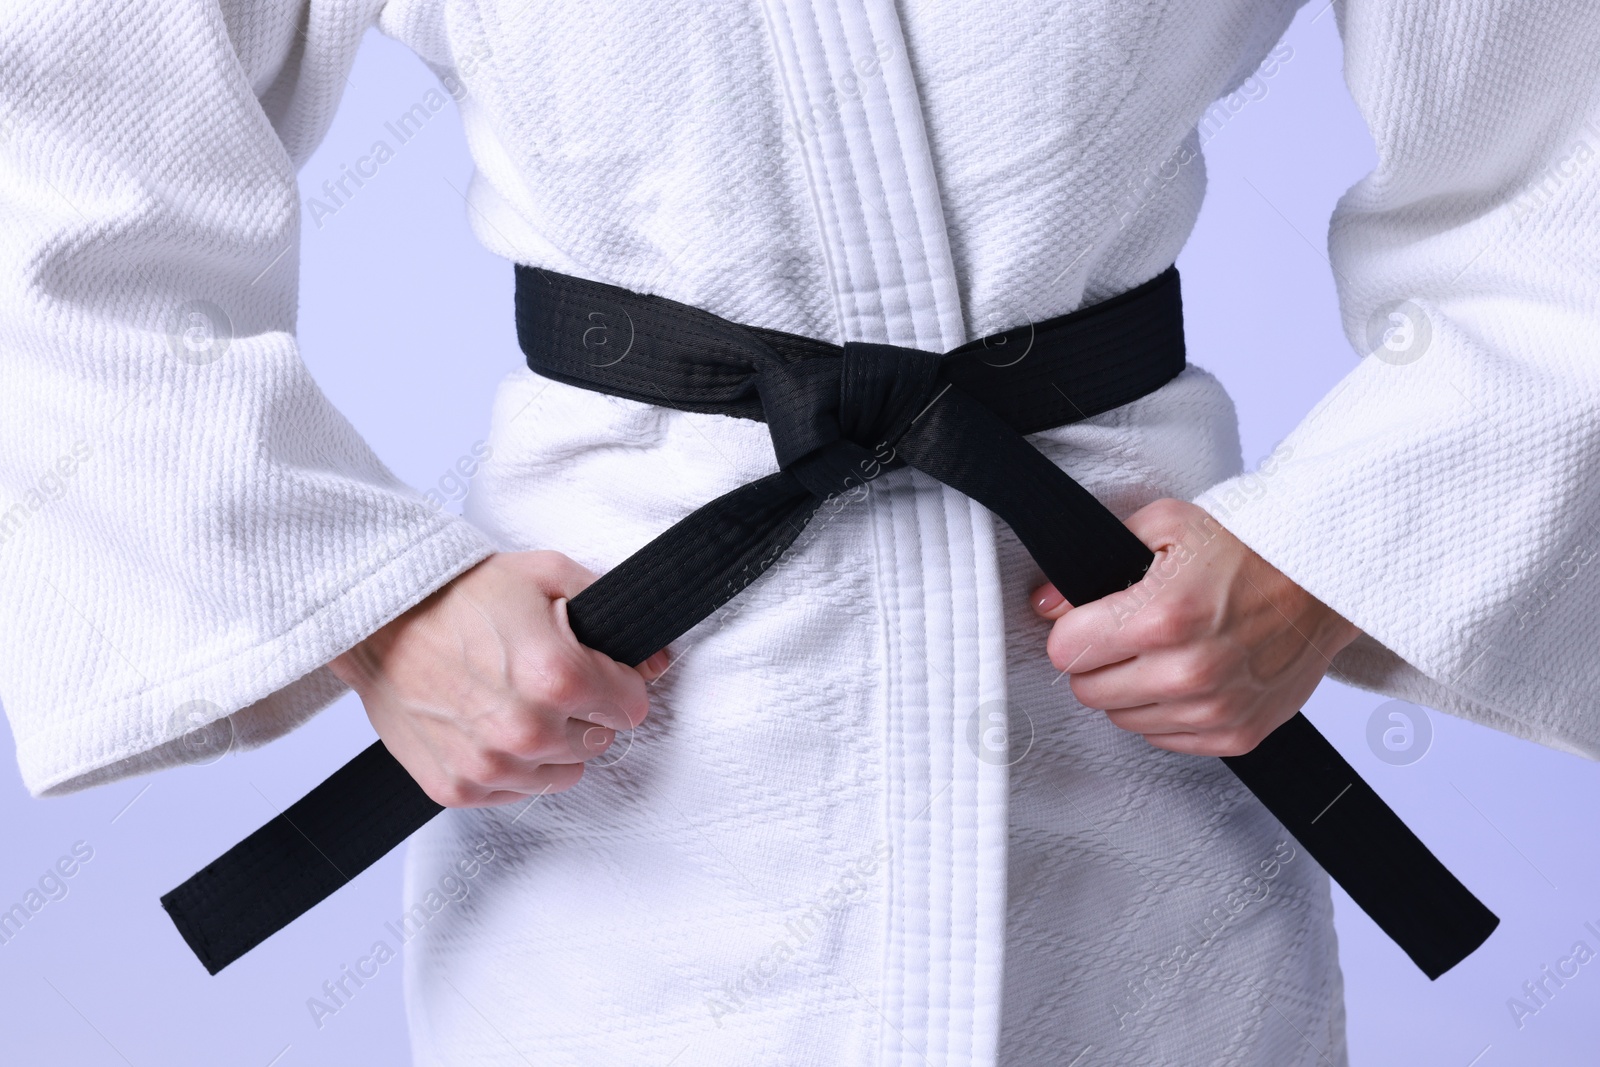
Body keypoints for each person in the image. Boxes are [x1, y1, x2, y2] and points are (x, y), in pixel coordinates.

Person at [2, 1, 1597, 1063]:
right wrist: (368, 608)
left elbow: (1565, 154)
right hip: (622, 726)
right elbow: (60, 166)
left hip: (1126, 717)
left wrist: (1332, 561)